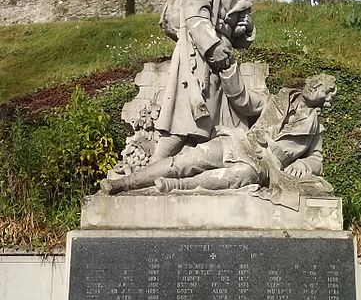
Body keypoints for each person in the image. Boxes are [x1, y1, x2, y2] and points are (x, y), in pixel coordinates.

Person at [100, 74, 337, 208]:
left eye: (324, 91)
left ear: (324, 99)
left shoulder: (316, 126)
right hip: (242, 142)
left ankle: (176, 187)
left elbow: (317, 159)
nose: (316, 88)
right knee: (187, 159)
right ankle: (123, 184)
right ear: (309, 83)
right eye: (317, 84)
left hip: (264, 165)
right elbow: (244, 100)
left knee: (240, 176)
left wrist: (303, 165)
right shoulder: (279, 97)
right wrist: (228, 69)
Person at [151, 0, 265, 161]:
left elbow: (236, 30)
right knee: (187, 120)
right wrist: (212, 46)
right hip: (198, 53)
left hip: (222, 58)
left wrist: (243, 29)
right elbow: (193, 9)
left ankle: (180, 172)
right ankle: (152, 168)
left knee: (211, 125)